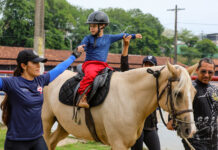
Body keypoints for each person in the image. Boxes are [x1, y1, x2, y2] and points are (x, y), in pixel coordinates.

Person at [0, 49, 82, 150]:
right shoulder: (11, 83)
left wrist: (74, 56)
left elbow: (59, 69)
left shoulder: (40, 80)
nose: (39, 66)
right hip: (17, 142)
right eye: (34, 63)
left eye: (39, 62)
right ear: (23, 66)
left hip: (37, 139)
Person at [76, 11, 142, 108]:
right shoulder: (88, 38)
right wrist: (79, 48)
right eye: (90, 26)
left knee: (114, 77)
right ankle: (82, 97)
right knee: (90, 75)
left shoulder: (109, 38)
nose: (91, 28)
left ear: (102, 26)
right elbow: (82, 45)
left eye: (94, 26)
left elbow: (122, 35)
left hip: (103, 65)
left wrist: (133, 36)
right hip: (90, 64)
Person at [167, 58, 218, 150]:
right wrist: (172, 120)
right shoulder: (188, 89)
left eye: (210, 72)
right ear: (197, 70)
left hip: (214, 141)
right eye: (203, 71)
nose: (206, 75)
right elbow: (175, 109)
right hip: (194, 140)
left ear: (214, 72)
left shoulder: (215, 90)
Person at [120, 35, 161, 150]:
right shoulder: (136, 80)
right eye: (146, 64)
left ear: (155, 67)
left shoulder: (158, 83)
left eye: (151, 65)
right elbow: (124, 69)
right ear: (142, 66)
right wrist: (126, 46)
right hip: (136, 126)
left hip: (151, 127)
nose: (148, 67)